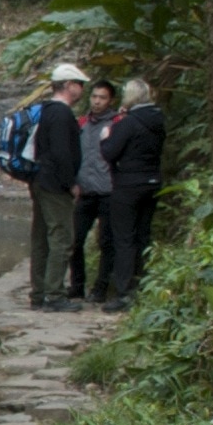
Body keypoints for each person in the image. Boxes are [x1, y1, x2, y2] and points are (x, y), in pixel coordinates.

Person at [23, 61, 88, 307]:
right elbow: (62, 153)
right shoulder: (61, 114)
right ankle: (55, 295)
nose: (82, 90)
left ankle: (39, 293)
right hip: (55, 185)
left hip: (40, 180)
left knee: (41, 237)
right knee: (61, 236)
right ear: (68, 85)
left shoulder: (46, 110)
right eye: (79, 85)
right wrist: (71, 182)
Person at [101, 73, 166, 306]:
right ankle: (143, 286)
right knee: (143, 235)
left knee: (124, 238)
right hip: (152, 181)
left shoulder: (128, 122)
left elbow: (109, 152)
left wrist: (106, 136)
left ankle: (124, 291)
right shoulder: (158, 120)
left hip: (128, 184)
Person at [69, 76, 117, 303]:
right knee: (75, 240)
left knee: (106, 242)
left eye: (102, 98)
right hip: (85, 191)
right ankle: (76, 286)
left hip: (109, 191)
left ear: (111, 100)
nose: (97, 101)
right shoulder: (82, 124)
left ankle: (100, 288)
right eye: (95, 96)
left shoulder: (117, 124)